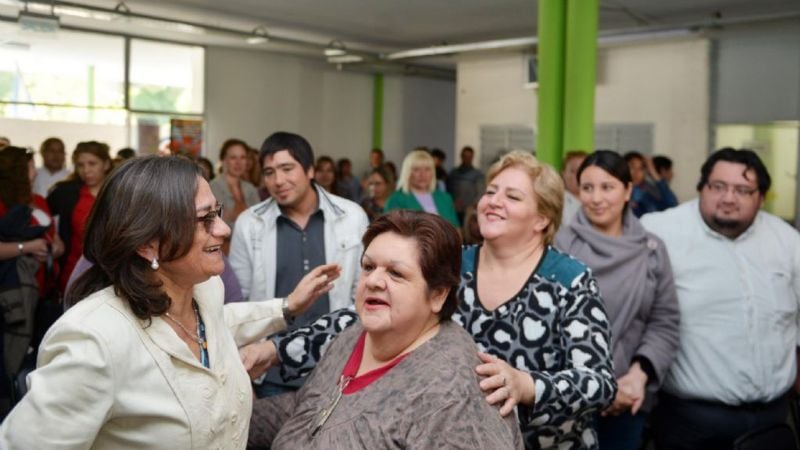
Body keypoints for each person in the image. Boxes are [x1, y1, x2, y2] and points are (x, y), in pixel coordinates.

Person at [265, 150, 617, 449]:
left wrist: (528, 386)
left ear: (542, 217)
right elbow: (358, 321)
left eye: (512, 196)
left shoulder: (568, 280)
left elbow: (599, 381)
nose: (493, 202)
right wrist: (275, 350)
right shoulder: (454, 263)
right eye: (491, 191)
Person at [0, 156, 340, 449]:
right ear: (148, 244)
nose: (222, 229)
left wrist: (286, 307)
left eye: (218, 213)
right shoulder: (94, 340)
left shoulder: (205, 291)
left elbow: (219, 323)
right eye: (205, 218)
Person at [245, 210, 523, 449]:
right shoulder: (355, 336)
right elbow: (309, 410)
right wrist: (222, 417)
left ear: (438, 294)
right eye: (368, 267)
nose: (374, 280)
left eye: (396, 273)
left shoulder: (454, 396)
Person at [641, 148, 800, 450]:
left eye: (743, 190)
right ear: (701, 188)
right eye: (718, 187)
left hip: (772, 422)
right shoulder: (659, 231)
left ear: (761, 198)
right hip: (690, 422)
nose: (729, 198)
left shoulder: (786, 241)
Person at [555, 150, 680, 450]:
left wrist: (637, 377)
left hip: (628, 396)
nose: (596, 198)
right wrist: (595, 388)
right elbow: (547, 325)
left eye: (607, 187)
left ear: (627, 190)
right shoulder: (560, 245)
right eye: (587, 188)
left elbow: (665, 321)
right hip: (567, 396)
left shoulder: (651, 250)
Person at [229, 131, 368, 395]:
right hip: (271, 370)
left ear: (310, 170)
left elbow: (360, 293)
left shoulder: (351, 217)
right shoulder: (250, 224)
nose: (278, 180)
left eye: (287, 169)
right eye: (269, 172)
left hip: (336, 365)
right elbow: (241, 302)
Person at [0, 146, 64, 415]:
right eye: (29, 167)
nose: (35, 171)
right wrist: (27, 247)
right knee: (9, 358)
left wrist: (50, 248)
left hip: (41, 292)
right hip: (10, 294)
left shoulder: (39, 200)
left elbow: (57, 243)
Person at [46, 141, 112, 292]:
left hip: (111, 273)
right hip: (74, 271)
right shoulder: (65, 193)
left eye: (92, 163)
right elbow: (41, 215)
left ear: (106, 164)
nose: (86, 170)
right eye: (80, 165)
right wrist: (54, 238)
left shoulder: (120, 193)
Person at [385, 150, 460, 228]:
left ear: (433, 172)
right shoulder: (396, 199)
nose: (422, 174)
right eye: (416, 169)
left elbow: (456, 230)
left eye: (427, 169)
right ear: (407, 173)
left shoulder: (445, 198)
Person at [209, 138, 260, 233]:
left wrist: (231, 216)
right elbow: (216, 225)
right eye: (233, 158)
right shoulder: (213, 187)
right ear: (224, 160)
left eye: (243, 157)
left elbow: (260, 221)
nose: (238, 163)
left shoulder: (250, 188)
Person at [624, 151, 678, 217]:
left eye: (641, 168)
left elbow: (673, 207)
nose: (636, 172)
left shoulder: (649, 192)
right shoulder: (618, 191)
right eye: (632, 167)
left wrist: (654, 174)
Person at [447, 145, 485, 223]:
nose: (467, 158)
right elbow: (447, 190)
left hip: (469, 210)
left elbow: (480, 193)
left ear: (472, 157)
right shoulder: (453, 173)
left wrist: (472, 206)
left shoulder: (477, 174)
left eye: (469, 157)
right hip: (453, 208)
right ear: (461, 156)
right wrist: (451, 202)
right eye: (465, 156)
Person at [561, 150, 587, 225]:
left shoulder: (597, 200)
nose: (578, 175)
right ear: (563, 174)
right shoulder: (558, 201)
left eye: (582, 170)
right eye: (573, 171)